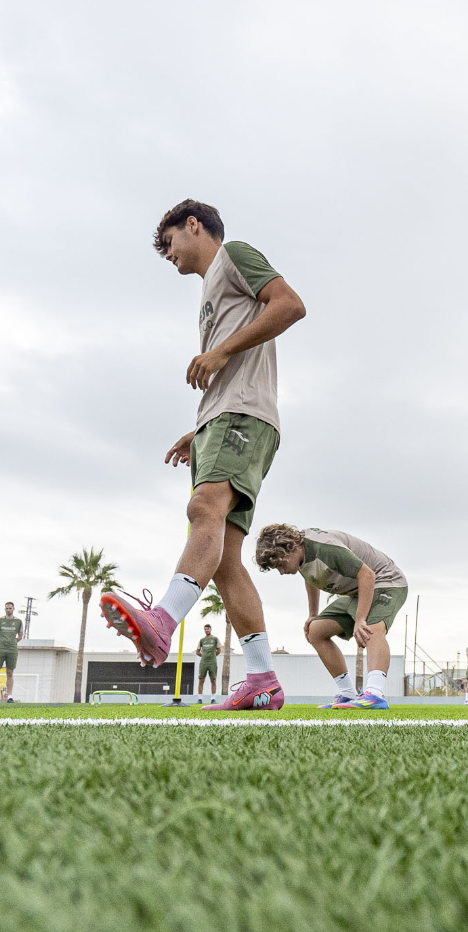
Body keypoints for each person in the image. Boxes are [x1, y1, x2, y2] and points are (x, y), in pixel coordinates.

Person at [101, 199, 306, 712]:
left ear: (193, 225)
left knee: (203, 509)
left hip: (243, 415)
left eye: (169, 242)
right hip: (222, 419)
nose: (168, 254)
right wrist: (199, 430)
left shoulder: (234, 255)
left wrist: (221, 351)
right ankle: (262, 679)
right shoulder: (211, 289)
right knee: (225, 562)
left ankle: (162, 621)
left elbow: (290, 305)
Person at [255, 524, 408, 709]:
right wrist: (312, 615)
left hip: (386, 581)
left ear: (289, 548)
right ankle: (348, 694)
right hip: (357, 592)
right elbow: (311, 577)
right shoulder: (301, 554)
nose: (281, 572)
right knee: (315, 631)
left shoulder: (324, 547)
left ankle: (375, 694)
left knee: (371, 628)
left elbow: (367, 575)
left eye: (280, 565)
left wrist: (360, 619)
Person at [0, 601, 23, 701]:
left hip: (12, 649)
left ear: (13, 609)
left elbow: (20, 635)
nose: (8, 610)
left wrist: (13, 642)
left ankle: (10, 696)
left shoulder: (18, 622)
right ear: (5, 609)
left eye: (10, 608)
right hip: (0, 648)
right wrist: (1, 642)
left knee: (10, 672)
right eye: (7, 608)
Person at [196, 624, 222, 700]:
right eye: (205, 629)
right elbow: (197, 651)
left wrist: (212, 656)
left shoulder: (215, 639)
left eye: (208, 629)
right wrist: (204, 656)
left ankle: (213, 698)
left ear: (210, 629)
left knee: (213, 680)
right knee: (201, 680)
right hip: (203, 662)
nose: (206, 630)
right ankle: (200, 698)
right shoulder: (202, 640)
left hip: (212, 662)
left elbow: (219, 650)